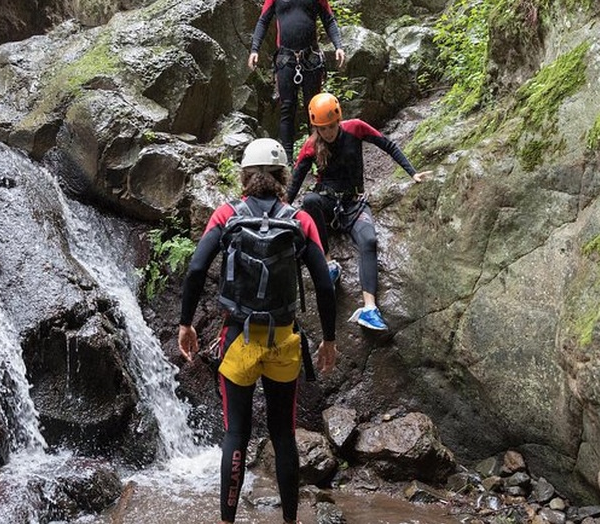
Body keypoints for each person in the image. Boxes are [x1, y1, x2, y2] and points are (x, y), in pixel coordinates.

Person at [178, 138, 337, 524]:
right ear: (283, 176)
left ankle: (227, 520)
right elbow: (323, 283)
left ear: (245, 176)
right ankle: (290, 521)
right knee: (284, 433)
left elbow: (197, 269)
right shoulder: (300, 220)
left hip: (238, 339)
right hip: (283, 339)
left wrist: (186, 323)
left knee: (236, 433)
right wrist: (329, 338)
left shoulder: (226, 215)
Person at [286, 92, 432, 331]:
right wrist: (277, 210)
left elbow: (388, 145)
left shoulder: (355, 128)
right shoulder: (312, 146)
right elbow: (294, 184)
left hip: (354, 204)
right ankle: (329, 263)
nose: (329, 132)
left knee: (369, 240)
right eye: (323, 129)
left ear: (338, 120)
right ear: (316, 128)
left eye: (332, 126)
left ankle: (369, 308)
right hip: (326, 204)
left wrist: (412, 172)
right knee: (310, 200)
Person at [248, 0, 347, 159]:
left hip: (311, 58)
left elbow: (328, 19)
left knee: (314, 108)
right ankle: (287, 161)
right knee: (287, 109)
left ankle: (319, 157)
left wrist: (339, 46)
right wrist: (254, 49)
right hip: (286, 59)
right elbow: (263, 20)